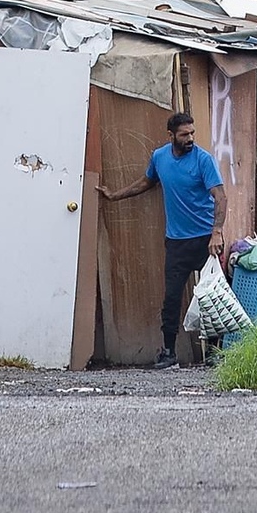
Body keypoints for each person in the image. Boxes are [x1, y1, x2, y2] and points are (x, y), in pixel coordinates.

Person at [97, 112, 227, 370]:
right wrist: (114, 196)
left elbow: (220, 197)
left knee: (213, 297)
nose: (190, 138)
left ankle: (214, 354)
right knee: (172, 299)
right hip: (176, 242)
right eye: (184, 134)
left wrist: (217, 232)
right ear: (171, 136)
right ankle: (169, 353)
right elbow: (146, 182)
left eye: (192, 133)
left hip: (205, 240)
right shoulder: (160, 157)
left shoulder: (203, 160)